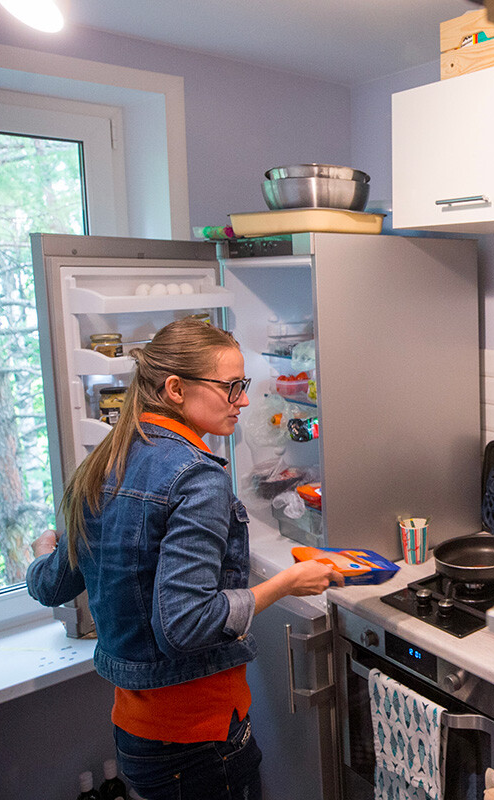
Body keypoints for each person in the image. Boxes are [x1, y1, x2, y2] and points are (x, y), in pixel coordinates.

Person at [27, 318, 341, 800]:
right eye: (231, 386)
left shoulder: (103, 461)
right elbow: (186, 624)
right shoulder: (196, 479)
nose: (244, 399)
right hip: (199, 740)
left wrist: (44, 552)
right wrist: (288, 582)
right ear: (175, 388)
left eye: (244, 384)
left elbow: (49, 586)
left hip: (136, 736)